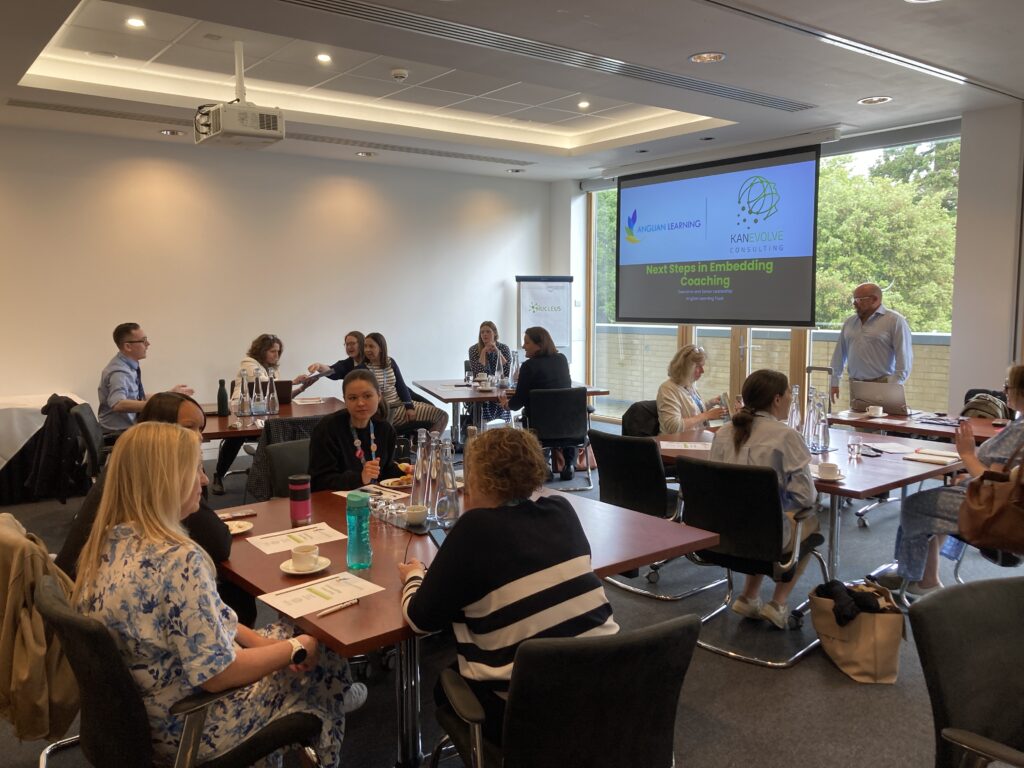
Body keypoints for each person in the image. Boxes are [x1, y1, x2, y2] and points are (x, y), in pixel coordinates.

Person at [72, 421, 365, 766]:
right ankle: (330, 705)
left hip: (138, 717)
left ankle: (331, 695)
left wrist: (283, 648)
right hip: (191, 723)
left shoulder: (108, 542)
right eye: (195, 468)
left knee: (301, 640)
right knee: (320, 661)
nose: (205, 479)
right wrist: (297, 649)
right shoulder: (178, 560)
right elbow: (219, 675)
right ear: (166, 479)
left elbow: (204, 623)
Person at [398, 428, 618, 744]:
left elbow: (420, 622)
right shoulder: (561, 510)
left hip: (531, 716)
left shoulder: (474, 530)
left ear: (476, 478)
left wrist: (414, 576)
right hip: (609, 687)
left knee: (444, 684)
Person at [57, 392, 257, 626]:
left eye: (199, 428)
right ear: (160, 432)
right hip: (103, 608)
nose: (199, 437)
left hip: (91, 608)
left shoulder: (122, 479)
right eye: (188, 428)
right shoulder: (177, 555)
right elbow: (218, 542)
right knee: (236, 589)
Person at [895, 364, 1024, 595]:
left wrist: (967, 455)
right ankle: (924, 575)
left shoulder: (1020, 430)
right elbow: (1002, 473)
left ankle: (918, 579)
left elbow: (995, 482)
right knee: (939, 498)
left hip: (997, 511)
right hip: (1003, 502)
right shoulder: (1018, 424)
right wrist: (969, 476)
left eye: (1008, 386)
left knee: (915, 506)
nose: (1004, 390)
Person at [710, 369, 818, 629]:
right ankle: (778, 604)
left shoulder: (723, 432)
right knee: (809, 520)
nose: (792, 399)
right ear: (777, 399)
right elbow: (805, 497)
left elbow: (714, 483)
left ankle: (749, 596)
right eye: (790, 394)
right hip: (764, 536)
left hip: (721, 533)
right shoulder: (786, 436)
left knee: (757, 516)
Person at [212, 334, 307, 494]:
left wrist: (301, 389)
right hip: (242, 412)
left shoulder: (273, 369)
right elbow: (263, 382)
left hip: (265, 414)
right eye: (272, 351)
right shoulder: (249, 363)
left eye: (278, 352)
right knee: (237, 436)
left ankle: (277, 476)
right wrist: (294, 382)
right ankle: (218, 475)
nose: (276, 355)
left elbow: (278, 394)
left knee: (286, 427)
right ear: (262, 351)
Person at [309, 369, 405, 491]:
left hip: (376, 502)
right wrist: (360, 478)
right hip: (337, 503)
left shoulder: (385, 429)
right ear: (345, 400)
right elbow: (319, 481)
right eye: (353, 398)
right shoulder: (327, 429)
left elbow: (386, 470)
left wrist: (405, 473)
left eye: (367, 396)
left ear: (379, 396)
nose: (360, 403)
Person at [499, 326, 575, 478]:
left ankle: (543, 464)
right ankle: (569, 464)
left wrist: (506, 404)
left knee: (532, 413)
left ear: (539, 345)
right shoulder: (562, 359)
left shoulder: (529, 366)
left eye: (526, 342)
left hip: (540, 425)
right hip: (569, 425)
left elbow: (518, 401)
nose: (523, 346)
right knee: (563, 412)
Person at [97, 322, 192, 433]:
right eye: (143, 340)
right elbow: (118, 404)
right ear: (128, 346)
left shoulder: (127, 366)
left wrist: (168, 395)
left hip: (127, 428)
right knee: (174, 432)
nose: (148, 344)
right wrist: (157, 405)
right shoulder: (119, 372)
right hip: (118, 433)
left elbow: (137, 397)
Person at [829, 283, 913, 405]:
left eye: (859, 299)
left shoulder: (894, 321)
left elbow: (904, 358)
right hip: (856, 385)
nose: (854, 303)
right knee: (858, 423)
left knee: (882, 423)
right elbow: (839, 355)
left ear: (875, 299)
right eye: (854, 299)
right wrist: (834, 382)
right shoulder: (850, 322)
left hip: (882, 385)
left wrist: (892, 387)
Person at [363, 332, 448, 435]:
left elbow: (401, 386)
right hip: (386, 412)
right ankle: (427, 449)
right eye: (365, 346)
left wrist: (409, 407)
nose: (367, 350)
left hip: (400, 406)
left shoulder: (390, 362)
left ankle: (427, 449)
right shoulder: (363, 368)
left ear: (381, 348)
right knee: (440, 416)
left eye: (371, 346)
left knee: (442, 416)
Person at [656, 344, 725, 433]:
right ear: (686, 368)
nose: (702, 371)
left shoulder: (688, 385)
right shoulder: (667, 389)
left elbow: (691, 412)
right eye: (698, 366)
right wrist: (707, 415)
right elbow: (674, 427)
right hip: (676, 442)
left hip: (694, 439)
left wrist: (710, 403)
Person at [467, 320, 512, 424]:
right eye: (482, 332)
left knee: (501, 399)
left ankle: (502, 428)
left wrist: (497, 351)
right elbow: (478, 373)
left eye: (488, 331)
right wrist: (483, 352)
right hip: (480, 391)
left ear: (495, 333)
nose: (485, 334)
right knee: (484, 403)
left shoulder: (503, 348)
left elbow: (506, 372)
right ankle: (482, 428)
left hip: (499, 390)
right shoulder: (473, 349)